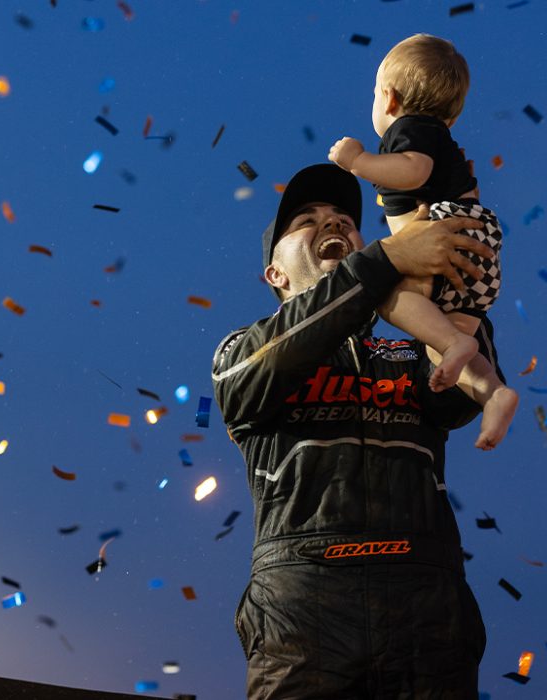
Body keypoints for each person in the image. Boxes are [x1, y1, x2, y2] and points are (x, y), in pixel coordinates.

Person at [212, 163, 501, 698]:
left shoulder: (412, 353)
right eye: (307, 219)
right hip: (303, 601)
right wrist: (385, 259)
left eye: (345, 218)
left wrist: (456, 290)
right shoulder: (242, 348)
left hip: (428, 603)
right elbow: (254, 377)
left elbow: (462, 401)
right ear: (273, 274)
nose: (333, 225)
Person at [328, 34, 517, 450]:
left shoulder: (410, 130)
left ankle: (459, 349)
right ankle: (494, 393)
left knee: (391, 297)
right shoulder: (438, 134)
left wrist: (357, 161)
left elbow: (413, 172)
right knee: (444, 344)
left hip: (450, 238)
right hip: (474, 260)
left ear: (389, 98)